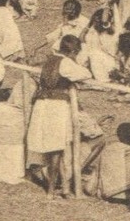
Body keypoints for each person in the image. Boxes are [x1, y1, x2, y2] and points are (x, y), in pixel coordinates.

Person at [25, 34, 90, 198]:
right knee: (56, 148)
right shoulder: (66, 63)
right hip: (56, 107)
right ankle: (51, 190)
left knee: (55, 146)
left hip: (43, 104)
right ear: (73, 51)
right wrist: (77, 64)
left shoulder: (50, 59)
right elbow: (85, 73)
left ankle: (64, 187)